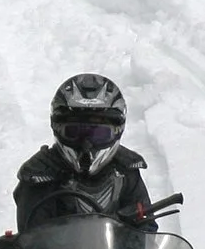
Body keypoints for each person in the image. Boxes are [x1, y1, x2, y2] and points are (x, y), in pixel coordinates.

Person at [12, 73, 157, 231]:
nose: (87, 144)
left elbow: (146, 232)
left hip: (119, 248)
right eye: (75, 132)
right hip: (58, 248)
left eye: (99, 134)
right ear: (57, 129)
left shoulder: (126, 169)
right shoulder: (39, 176)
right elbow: (32, 239)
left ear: (118, 131)